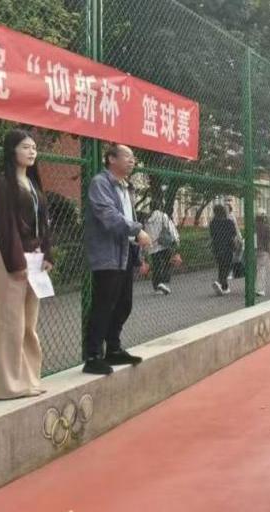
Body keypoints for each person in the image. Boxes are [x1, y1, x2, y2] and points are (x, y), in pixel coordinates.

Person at [0, 129, 54, 399]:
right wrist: (17, 263)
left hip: (35, 260)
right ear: (12, 150)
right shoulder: (3, 183)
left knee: (28, 325)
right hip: (11, 260)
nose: (31, 151)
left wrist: (47, 255)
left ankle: (29, 379)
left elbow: (45, 224)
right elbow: (6, 226)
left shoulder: (34, 184)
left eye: (34, 147)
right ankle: (8, 386)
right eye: (25, 147)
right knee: (10, 324)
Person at [82, 144, 152, 375]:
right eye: (127, 157)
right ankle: (93, 356)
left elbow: (127, 216)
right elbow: (108, 215)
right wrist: (137, 230)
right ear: (111, 159)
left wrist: (137, 251)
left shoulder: (126, 186)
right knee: (104, 305)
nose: (132, 161)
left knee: (124, 304)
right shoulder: (101, 183)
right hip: (108, 254)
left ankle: (113, 348)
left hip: (125, 252)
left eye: (133, 158)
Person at [144, 196, 180, 296]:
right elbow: (171, 228)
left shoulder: (147, 218)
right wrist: (176, 239)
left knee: (156, 266)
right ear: (160, 206)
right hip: (163, 244)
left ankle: (157, 286)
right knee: (168, 262)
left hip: (152, 246)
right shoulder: (163, 216)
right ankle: (163, 280)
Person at [209, 204, 238, 295]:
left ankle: (224, 287)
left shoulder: (213, 223)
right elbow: (234, 235)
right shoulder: (229, 222)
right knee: (227, 266)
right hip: (228, 247)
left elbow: (212, 235)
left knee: (221, 266)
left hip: (217, 247)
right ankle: (219, 282)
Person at [255, 211, 270, 298]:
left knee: (253, 269)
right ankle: (260, 289)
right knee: (261, 269)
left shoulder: (253, 227)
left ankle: (252, 287)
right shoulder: (266, 227)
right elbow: (268, 241)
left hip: (253, 250)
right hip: (263, 250)